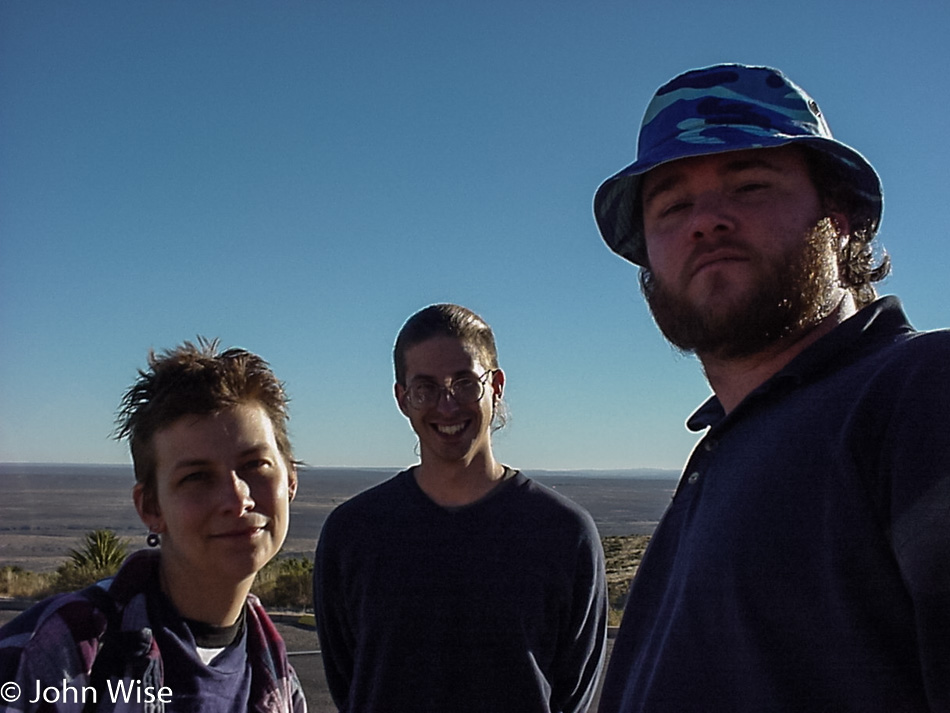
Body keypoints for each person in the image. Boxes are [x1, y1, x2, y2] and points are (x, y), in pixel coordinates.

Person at [591, 63, 950, 712]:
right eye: (672, 205)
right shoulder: (726, 452)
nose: (706, 221)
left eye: (750, 184)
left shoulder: (921, 395)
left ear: (837, 215)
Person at [313, 303, 607, 713]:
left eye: (465, 383)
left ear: (497, 385)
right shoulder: (353, 533)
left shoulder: (563, 533)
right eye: (425, 388)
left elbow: (571, 696)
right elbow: (350, 685)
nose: (447, 406)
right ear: (402, 399)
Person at [0, 339, 306, 712]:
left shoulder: (276, 675)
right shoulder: (63, 649)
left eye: (255, 465)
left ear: (290, 481)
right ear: (151, 507)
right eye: (196, 477)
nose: (236, 498)